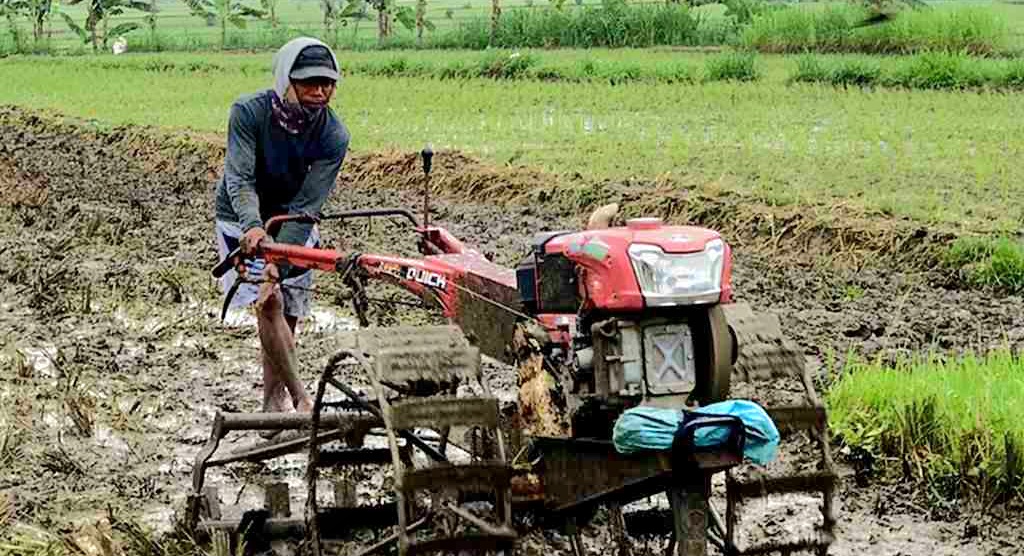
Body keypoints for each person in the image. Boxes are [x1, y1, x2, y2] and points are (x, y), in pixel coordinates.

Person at [213, 37, 350, 425]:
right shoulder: (248, 113)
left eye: (327, 83)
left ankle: (272, 404)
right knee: (268, 303)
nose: (319, 91)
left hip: (292, 221)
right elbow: (239, 177)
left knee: (286, 312)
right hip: (240, 217)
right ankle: (303, 400)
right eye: (308, 82)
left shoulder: (333, 135)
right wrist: (253, 227)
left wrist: (280, 258)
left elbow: (308, 204)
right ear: (284, 80)